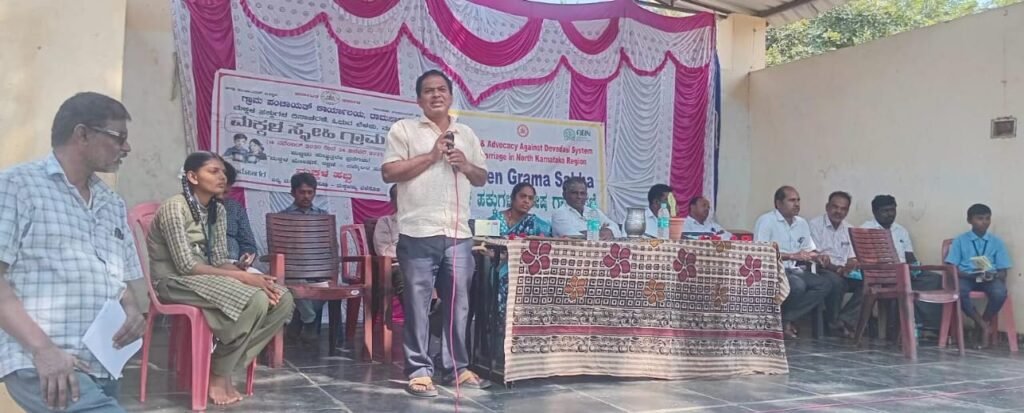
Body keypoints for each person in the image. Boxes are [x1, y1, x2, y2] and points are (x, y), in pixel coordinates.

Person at [0, 92, 146, 413]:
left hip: (103, 361)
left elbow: (119, 278)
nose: (127, 148)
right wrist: (43, 350)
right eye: (119, 137)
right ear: (82, 134)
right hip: (44, 360)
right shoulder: (17, 187)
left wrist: (133, 310)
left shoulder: (111, 202)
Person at [148, 152, 293, 405]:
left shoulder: (218, 211)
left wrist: (247, 275)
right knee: (255, 300)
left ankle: (222, 365)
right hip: (173, 281)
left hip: (203, 277)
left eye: (223, 172)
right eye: (213, 171)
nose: (222, 177)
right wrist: (243, 279)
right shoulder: (175, 207)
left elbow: (217, 259)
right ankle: (218, 373)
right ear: (193, 177)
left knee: (282, 297)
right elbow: (186, 266)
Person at [382, 69, 490, 396]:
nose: (436, 95)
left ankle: (456, 368)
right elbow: (389, 172)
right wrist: (431, 156)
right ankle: (419, 370)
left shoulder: (466, 134)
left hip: (457, 234)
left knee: (458, 305)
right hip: (418, 232)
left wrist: (465, 165)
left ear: (451, 96)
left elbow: (481, 177)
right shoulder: (403, 130)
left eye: (441, 89)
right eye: (428, 91)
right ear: (419, 100)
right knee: (417, 305)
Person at [754, 186, 836, 339]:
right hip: (773, 271)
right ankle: (785, 322)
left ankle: (785, 319)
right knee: (797, 285)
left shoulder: (801, 223)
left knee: (824, 284)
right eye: (792, 200)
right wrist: (792, 256)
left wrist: (818, 256)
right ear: (778, 203)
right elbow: (761, 252)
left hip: (794, 270)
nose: (797, 204)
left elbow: (809, 250)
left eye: (798, 200)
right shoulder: (766, 221)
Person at [862, 195, 943, 330]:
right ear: (875, 212)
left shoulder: (901, 230)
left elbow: (910, 257)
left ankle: (927, 326)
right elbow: (865, 258)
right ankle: (908, 327)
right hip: (882, 275)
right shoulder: (866, 229)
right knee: (903, 287)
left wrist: (915, 267)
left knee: (934, 279)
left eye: (892, 210)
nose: (890, 214)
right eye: (885, 211)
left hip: (904, 273)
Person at [945, 203, 1011, 348]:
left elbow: (1003, 271)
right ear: (969, 220)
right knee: (959, 291)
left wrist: (993, 275)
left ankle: (980, 324)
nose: (984, 222)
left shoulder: (997, 242)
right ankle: (983, 325)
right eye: (979, 218)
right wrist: (967, 275)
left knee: (1000, 292)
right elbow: (951, 268)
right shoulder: (960, 241)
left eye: (987, 218)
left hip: (988, 278)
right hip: (967, 277)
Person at [489, 182, 552, 318]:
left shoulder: (536, 223)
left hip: (527, 270)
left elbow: (547, 243)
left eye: (530, 198)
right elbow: (483, 245)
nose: (526, 201)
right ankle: (502, 323)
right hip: (500, 267)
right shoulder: (496, 220)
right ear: (513, 198)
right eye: (522, 196)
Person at [279, 172, 328, 342]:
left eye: (310, 192)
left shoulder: (323, 216)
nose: (306, 196)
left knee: (326, 285)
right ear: (293, 193)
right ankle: (310, 320)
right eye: (302, 192)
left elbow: (329, 247)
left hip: (318, 270)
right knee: (297, 282)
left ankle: (299, 319)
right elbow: (280, 249)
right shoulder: (283, 217)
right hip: (294, 271)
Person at [808, 191, 860, 336]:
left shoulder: (849, 228)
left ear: (847, 211)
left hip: (843, 271)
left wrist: (851, 265)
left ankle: (844, 319)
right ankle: (833, 321)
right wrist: (837, 269)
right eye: (835, 207)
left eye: (843, 209)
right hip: (822, 270)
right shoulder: (814, 225)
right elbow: (816, 256)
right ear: (827, 207)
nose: (839, 211)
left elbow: (852, 257)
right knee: (836, 282)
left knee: (869, 284)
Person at [551, 177, 621, 240]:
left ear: (586, 196)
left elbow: (615, 228)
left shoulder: (594, 211)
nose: (579, 197)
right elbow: (573, 236)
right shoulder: (559, 214)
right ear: (564, 195)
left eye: (582, 193)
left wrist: (609, 231)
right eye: (574, 193)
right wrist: (600, 231)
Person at [222, 162, 258, 267]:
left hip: (236, 265)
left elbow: (248, 243)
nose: (220, 196)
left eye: (225, 192)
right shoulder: (196, 208)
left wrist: (245, 256)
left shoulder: (235, 207)